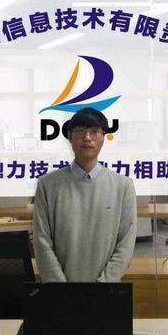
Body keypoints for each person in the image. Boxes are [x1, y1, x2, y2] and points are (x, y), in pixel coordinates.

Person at [33, 107, 137, 282]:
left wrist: (103, 286)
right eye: (80, 130)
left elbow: (125, 244)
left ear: (103, 137)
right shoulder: (47, 185)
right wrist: (60, 289)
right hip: (60, 292)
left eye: (94, 131)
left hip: (105, 292)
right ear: (69, 137)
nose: (87, 137)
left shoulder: (123, 186)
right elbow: (41, 240)